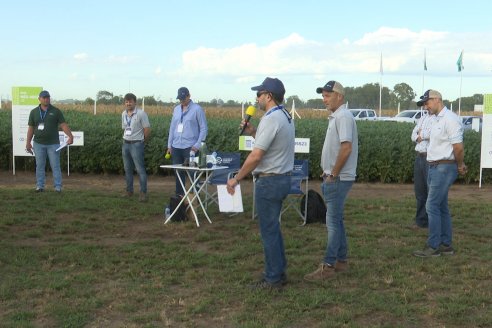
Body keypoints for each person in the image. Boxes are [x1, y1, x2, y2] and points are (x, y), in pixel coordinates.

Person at [226, 77, 294, 290]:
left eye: (259, 94)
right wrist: (254, 132)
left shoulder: (271, 119)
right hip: (282, 178)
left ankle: (273, 278)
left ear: (269, 96)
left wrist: (236, 178)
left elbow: (256, 157)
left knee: (268, 230)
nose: (256, 98)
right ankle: (279, 271)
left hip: (269, 181)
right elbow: (272, 146)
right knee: (274, 228)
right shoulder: (284, 116)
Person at [304, 80, 358, 282]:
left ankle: (328, 265)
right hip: (336, 176)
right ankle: (341, 261)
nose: (324, 99)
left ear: (340, 97)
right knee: (337, 220)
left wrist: (333, 174)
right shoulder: (337, 116)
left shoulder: (343, 116)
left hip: (338, 178)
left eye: (328, 95)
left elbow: (346, 148)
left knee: (332, 222)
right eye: (323, 95)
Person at [413, 89, 467, 257]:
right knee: (441, 206)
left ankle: (433, 246)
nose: (425, 106)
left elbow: (458, 147)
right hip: (435, 166)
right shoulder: (436, 119)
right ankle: (446, 245)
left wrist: (460, 165)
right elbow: (421, 137)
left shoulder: (450, 119)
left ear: (437, 100)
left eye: (427, 102)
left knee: (432, 205)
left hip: (444, 167)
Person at [25, 90, 73, 192]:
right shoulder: (33, 112)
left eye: (48, 97)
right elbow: (31, 128)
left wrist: (70, 136)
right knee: (40, 166)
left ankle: (58, 186)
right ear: (39, 99)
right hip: (38, 143)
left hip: (53, 144)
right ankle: (40, 186)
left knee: (55, 165)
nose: (46, 99)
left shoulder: (56, 111)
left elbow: (63, 125)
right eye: (44, 97)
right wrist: (28, 142)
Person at [166, 87, 208, 196]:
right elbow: (172, 128)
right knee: (179, 174)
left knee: (193, 174)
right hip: (176, 147)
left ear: (189, 96)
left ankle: (195, 199)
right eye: (180, 99)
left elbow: (204, 128)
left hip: (191, 147)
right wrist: (169, 145)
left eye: (183, 98)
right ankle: (179, 198)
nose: (182, 101)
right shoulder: (176, 109)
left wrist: (197, 145)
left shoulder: (197, 109)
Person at [121, 93, 151, 202]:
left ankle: (143, 193)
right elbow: (125, 128)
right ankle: (129, 191)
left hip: (137, 144)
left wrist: (142, 141)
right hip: (126, 144)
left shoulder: (141, 114)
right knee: (127, 169)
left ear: (135, 102)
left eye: (130, 101)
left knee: (140, 169)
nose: (128, 103)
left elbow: (147, 129)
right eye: (126, 102)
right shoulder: (123, 114)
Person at [410, 111, 434, 229]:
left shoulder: (437, 118)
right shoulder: (423, 118)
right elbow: (413, 135)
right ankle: (421, 221)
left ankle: (432, 222)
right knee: (420, 192)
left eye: (427, 102)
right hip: (419, 156)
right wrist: (419, 135)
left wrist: (421, 134)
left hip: (430, 158)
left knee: (431, 192)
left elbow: (432, 134)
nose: (425, 106)